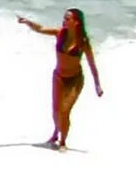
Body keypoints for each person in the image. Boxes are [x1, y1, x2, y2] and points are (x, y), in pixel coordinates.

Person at [17, 8, 102, 149]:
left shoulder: (83, 42)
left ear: (76, 22)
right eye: (64, 18)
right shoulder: (60, 33)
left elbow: (92, 63)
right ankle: (56, 132)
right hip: (58, 77)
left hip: (75, 80)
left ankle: (62, 142)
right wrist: (27, 22)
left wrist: (97, 85)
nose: (64, 21)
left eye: (68, 19)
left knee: (64, 111)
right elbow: (41, 29)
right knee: (56, 110)